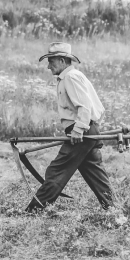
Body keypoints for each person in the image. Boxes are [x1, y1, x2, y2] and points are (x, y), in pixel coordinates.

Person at [26, 42, 113, 212]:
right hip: (86, 130)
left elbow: (85, 106)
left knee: (56, 171)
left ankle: (34, 210)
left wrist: (78, 130)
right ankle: (114, 209)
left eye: (51, 61)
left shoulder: (71, 77)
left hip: (82, 131)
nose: (48, 66)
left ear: (62, 60)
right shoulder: (68, 77)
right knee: (95, 174)